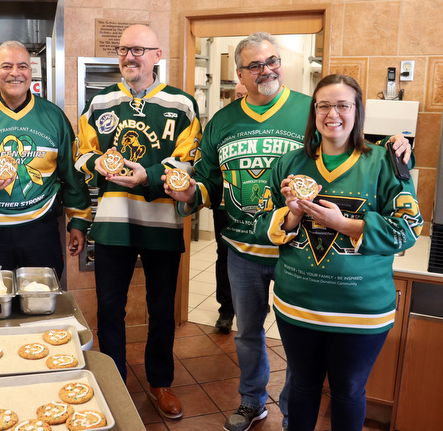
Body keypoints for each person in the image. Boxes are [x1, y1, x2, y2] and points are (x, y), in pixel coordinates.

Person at [165, 32, 413, 431]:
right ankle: (252, 402)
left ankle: (292, 411)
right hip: (244, 250)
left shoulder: (309, 109)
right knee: (248, 334)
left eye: (273, 61)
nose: (267, 70)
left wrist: (400, 144)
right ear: (240, 74)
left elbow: (351, 140)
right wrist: (190, 191)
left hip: (300, 259)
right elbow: (210, 183)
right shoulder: (222, 121)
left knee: (303, 359)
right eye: (256, 65)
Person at [252, 74, 422, 430]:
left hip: (361, 311)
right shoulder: (288, 164)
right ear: (314, 112)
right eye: (324, 105)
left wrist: (342, 224)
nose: (333, 114)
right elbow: (262, 225)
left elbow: (408, 230)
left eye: (343, 105)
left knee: (348, 390)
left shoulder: (386, 162)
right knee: (301, 385)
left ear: (358, 111)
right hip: (297, 306)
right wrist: (294, 213)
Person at [74, 24, 201, 420]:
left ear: (157, 56)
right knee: (110, 308)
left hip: (162, 222)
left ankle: (160, 382)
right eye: (125, 50)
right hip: (113, 222)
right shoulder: (99, 103)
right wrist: (100, 163)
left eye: (140, 50)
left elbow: (187, 159)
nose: (131, 57)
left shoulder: (182, 104)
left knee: (162, 309)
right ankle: (113, 384)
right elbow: (81, 153)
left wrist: (147, 176)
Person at [0, 41, 91, 277]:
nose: (15, 73)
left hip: (40, 230)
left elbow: (72, 174)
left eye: (22, 66)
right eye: (6, 66)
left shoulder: (54, 116)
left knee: (41, 304)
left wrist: (79, 222)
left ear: (31, 72)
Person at [213, 82, 248, 333]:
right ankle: (226, 310)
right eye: (238, 96)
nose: (242, 100)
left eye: (245, 96)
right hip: (226, 206)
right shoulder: (222, 123)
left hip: (261, 208)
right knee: (224, 256)